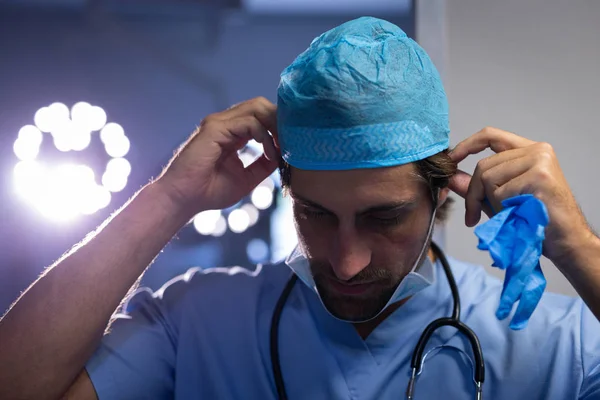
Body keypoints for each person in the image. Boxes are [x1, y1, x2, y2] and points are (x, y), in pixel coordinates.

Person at [1, 16, 599, 400]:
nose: (344, 262)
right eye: (314, 213)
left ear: (442, 188)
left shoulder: (560, 344)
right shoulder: (196, 324)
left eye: (382, 217)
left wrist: (579, 248)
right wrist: (168, 198)